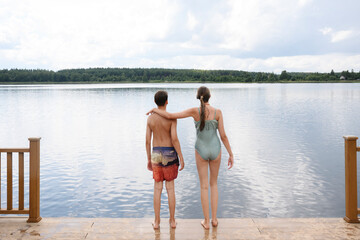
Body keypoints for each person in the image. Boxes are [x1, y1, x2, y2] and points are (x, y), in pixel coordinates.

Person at [147, 86, 234, 229]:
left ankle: (206, 222)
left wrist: (154, 110)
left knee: (204, 186)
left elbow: (170, 115)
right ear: (209, 97)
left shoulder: (195, 111)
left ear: (198, 97)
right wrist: (230, 153)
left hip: (200, 150)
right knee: (214, 184)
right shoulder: (218, 112)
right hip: (216, 149)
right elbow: (223, 136)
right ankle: (214, 220)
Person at [146, 90, 185, 229]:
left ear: (155, 102)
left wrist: (149, 159)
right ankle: (172, 221)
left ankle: (156, 222)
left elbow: (147, 141)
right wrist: (181, 156)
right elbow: (174, 139)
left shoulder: (150, 119)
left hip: (156, 153)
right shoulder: (171, 118)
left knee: (157, 189)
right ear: (166, 101)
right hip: (169, 154)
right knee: (170, 189)